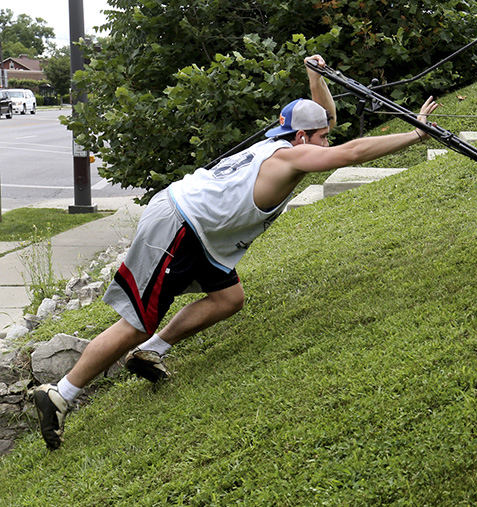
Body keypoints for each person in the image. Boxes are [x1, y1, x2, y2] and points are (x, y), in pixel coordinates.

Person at [32, 54, 439, 450]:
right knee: (139, 319)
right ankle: (61, 393)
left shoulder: (284, 142)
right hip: (179, 225)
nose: (327, 140)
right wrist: (416, 134)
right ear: (301, 138)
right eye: (321, 137)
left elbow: (325, 119)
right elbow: (349, 153)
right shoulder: (290, 158)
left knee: (229, 298)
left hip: (203, 231)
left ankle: (151, 352)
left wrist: (316, 79)